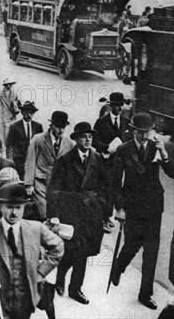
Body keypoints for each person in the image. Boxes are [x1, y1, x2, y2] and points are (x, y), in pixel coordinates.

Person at [0, 183, 64, 319]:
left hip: (25, 300)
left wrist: (40, 272)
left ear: (24, 207)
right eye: (9, 207)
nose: (14, 212)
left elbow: (58, 247)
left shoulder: (36, 228)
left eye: (18, 207)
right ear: (1, 207)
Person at [110, 112, 174, 310]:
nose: (145, 136)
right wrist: (119, 208)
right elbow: (115, 183)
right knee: (132, 245)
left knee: (151, 252)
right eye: (141, 132)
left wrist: (164, 154)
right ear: (133, 130)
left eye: (148, 131)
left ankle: (145, 293)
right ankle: (118, 267)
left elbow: (172, 173)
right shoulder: (123, 150)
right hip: (133, 207)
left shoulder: (157, 148)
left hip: (154, 207)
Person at [47, 122, 110, 305]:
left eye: (90, 136)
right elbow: (53, 189)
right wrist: (55, 215)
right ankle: (61, 275)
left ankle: (76, 289)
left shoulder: (97, 158)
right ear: (76, 139)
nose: (88, 139)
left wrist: (104, 208)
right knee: (72, 249)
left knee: (85, 251)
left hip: (90, 211)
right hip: (71, 210)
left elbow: (105, 185)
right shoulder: (65, 160)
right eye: (84, 136)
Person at [24, 110, 74, 219]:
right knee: (44, 211)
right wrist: (29, 184)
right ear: (51, 125)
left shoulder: (68, 143)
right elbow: (30, 161)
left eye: (63, 127)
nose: (61, 130)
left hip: (58, 184)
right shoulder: (38, 139)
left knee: (58, 213)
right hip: (40, 182)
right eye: (58, 126)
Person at [92, 91, 131, 226]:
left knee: (117, 186)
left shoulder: (126, 122)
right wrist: (106, 147)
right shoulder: (101, 122)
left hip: (119, 162)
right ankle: (105, 217)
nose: (119, 108)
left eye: (121, 105)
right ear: (111, 106)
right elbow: (93, 141)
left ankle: (116, 211)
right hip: (105, 161)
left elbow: (129, 141)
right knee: (106, 188)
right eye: (116, 106)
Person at [6, 101, 43, 180]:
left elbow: (41, 145)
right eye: (26, 112)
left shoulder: (38, 127)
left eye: (31, 113)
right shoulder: (15, 126)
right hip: (18, 162)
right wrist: (10, 163)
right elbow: (9, 145)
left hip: (33, 162)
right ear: (22, 112)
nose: (29, 115)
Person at [0, 77, 20, 142]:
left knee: (11, 140)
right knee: (1, 140)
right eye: (8, 84)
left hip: (11, 120)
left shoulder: (14, 95)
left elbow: (17, 108)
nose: (10, 86)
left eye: (11, 84)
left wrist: (16, 109)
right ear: (5, 85)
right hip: (1, 120)